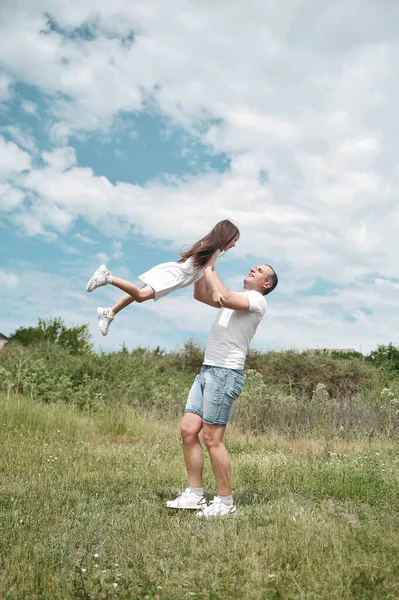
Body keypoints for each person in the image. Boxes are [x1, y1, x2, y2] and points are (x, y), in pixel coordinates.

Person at [166, 262, 278, 517]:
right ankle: (194, 495)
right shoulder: (233, 300)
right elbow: (201, 294)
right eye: (254, 267)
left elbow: (224, 296)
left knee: (212, 438)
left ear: (266, 284)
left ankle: (225, 503)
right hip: (207, 370)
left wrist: (209, 264)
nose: (253, 269)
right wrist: (199, 270)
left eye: (260, 271)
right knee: (188, 430)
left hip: (225, 374)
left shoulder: (256, 300)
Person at [85, 220, 240, 336]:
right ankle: (107, 277)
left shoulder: (208, 246)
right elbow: (208, 269)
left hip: (173, 275)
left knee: (138, 293)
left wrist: (216, 298)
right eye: (234, 240)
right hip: (173, 276)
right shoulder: (215, 250)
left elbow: (200, 281)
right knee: (140, 296)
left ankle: (109, 313)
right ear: (226, 236)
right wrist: (215, 292)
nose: (234, 245)